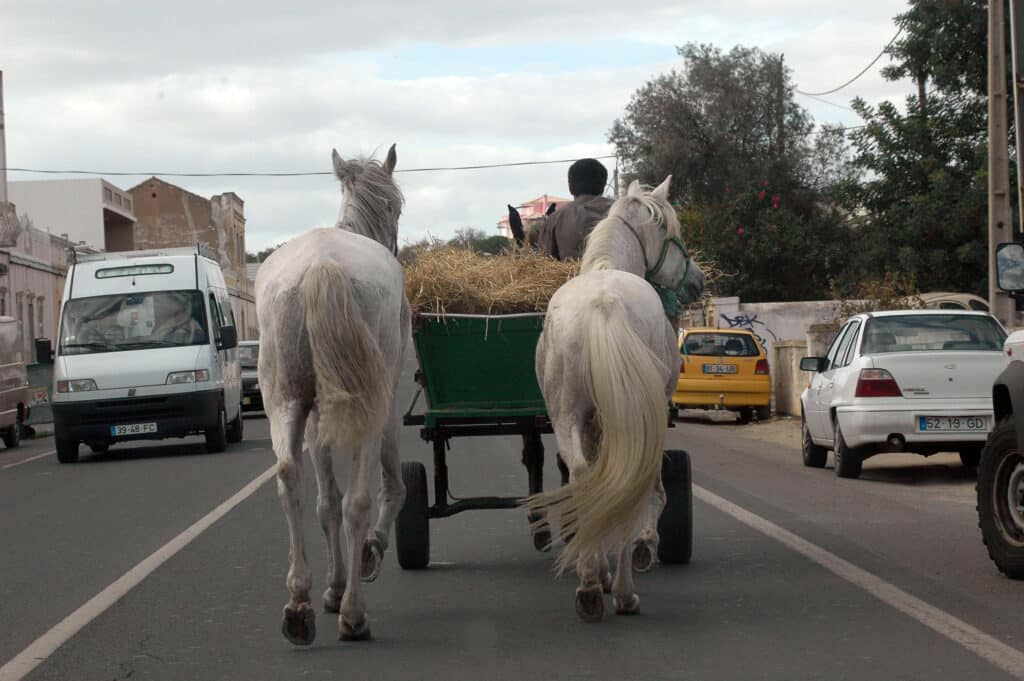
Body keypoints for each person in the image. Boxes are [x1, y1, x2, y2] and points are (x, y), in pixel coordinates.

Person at [537, 158, 614, 261]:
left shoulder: (555, 220)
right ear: (604, 185)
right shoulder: (623, 212)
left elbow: (544, 264)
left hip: (570, 277)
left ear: (570, 186)